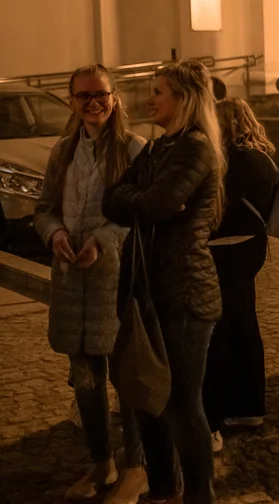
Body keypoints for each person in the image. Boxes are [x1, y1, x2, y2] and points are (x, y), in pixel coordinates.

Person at [102, 60, 225, 504]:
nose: (150, 98)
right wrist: (143, 201)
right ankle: (161, 490)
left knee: (181, 402)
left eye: (159, 91)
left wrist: (143, 201)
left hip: (187, 291)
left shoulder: (195, 148)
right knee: (146, 396)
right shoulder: (158, 149)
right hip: (150, 289)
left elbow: (157, 204)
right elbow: (112, 200)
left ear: (184, 99)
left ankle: (198, 495)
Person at [35, 65, 147, 503]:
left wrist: (101, 241)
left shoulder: (134, 150)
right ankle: (102, 463)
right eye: (83, 96)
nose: (93, 102)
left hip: (117, 279)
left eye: (100, 94)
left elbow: (137, 214)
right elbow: (44, 209)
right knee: (85, 377)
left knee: (128, 375)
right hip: (71, 282)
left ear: (115, 98)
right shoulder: (62, 150)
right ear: (72, 102)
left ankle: (136, 467)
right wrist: (56, 234)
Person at [203, 99, 279, 449]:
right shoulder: (263, 158)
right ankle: (250, 405)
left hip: (225, 248)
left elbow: (215, 209)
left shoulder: (234, 163)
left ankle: (215, 412)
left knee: (221, 329)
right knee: (245, 323)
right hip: (251, 248)